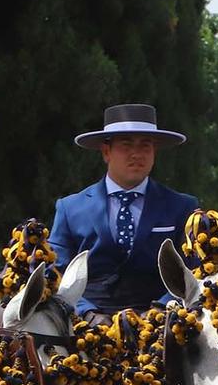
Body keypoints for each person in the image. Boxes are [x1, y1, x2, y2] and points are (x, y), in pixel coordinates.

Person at [49, 103, 198, 318]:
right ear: (106, 151)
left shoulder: (182, 207)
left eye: (145, 146)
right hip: (84, 329)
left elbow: (193, 271)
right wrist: (87, 312)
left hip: (163, 329)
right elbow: (56, 273)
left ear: (154, 151)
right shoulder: (70, 208)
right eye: (126, 145)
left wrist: (161, 310)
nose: (136, 154)